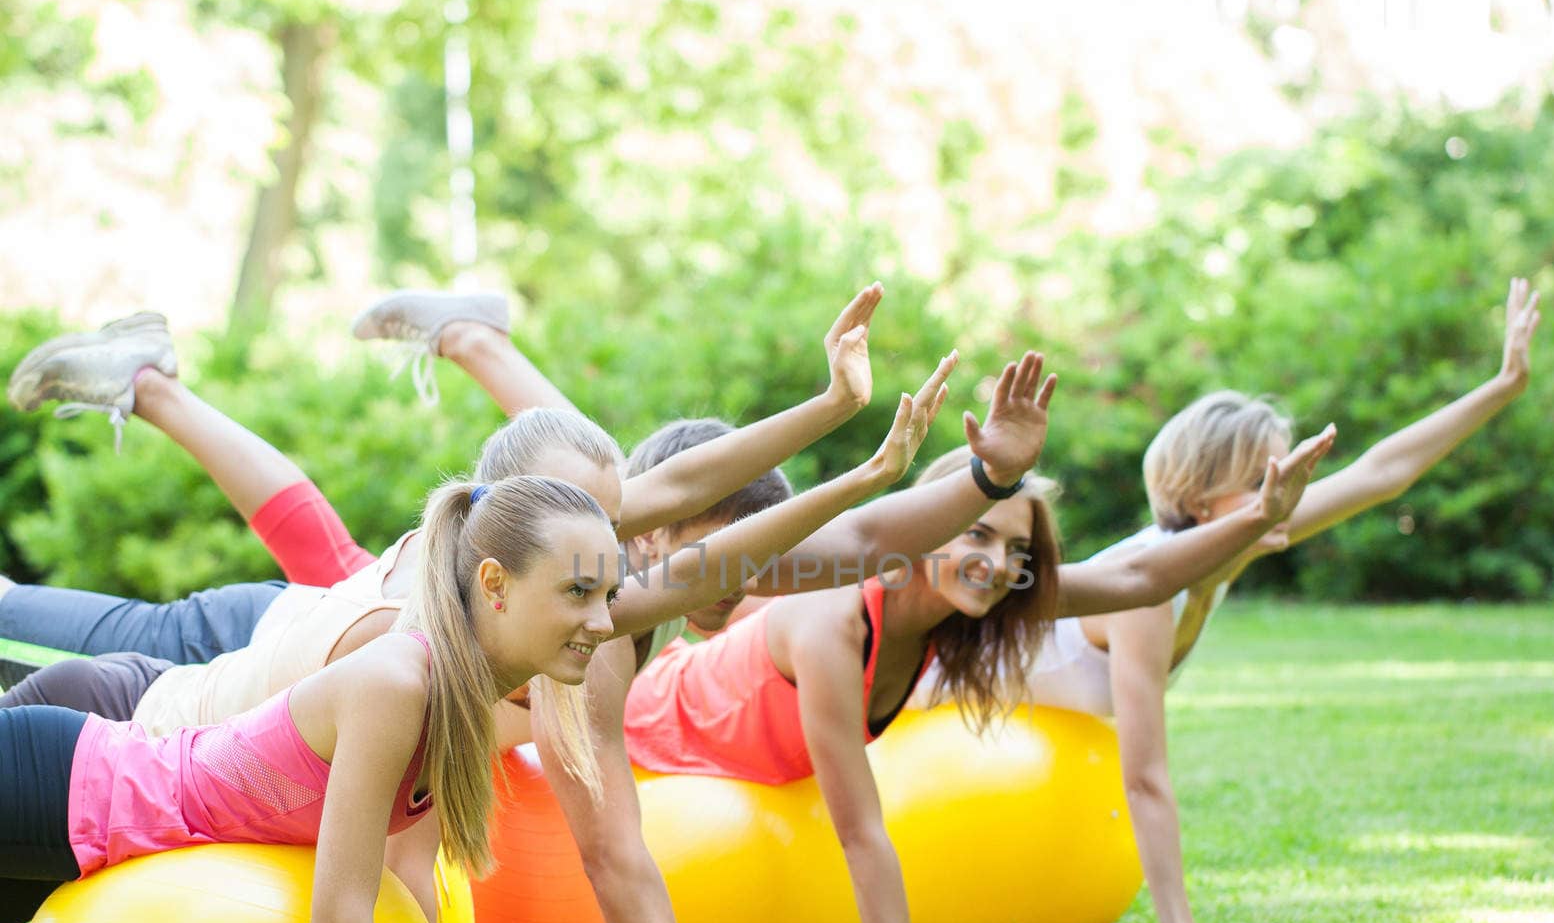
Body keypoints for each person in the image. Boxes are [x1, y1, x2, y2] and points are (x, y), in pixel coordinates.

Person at [623, 386, 1337, 923]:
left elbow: (1138, 580)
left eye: (1017, 549)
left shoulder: (976, 601)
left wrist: (1259, 519)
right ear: (925, 531)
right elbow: (860, 830)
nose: (998, 564)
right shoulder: (834, 622)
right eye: (976, 536)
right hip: (659, 724)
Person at [0, 474, 620, 923]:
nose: (605, 621)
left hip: (91, 819)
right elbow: (340, 917)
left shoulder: (459, 705)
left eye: (609, 595)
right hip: (70, 787)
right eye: (578, 592)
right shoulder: (396, 685)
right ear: (494, 585)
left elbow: (408, 890)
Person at [970, 279, 1540, 923]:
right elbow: (1143, 773)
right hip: (932, 703)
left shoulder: (1233, 541)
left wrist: (1504, 385)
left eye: (1288, 474)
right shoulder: (1148, 588)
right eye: (1268, 477)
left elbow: (1381, 472)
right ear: (1201, 500)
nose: (1286, 492)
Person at [0, 286, 894, 662]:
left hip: (308, 624)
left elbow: (840, 548)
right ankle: (473, 338)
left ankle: (151, 387)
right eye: (729, 544)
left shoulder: (599, 570)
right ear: (667, 524)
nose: (744, 577)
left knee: (340, 555)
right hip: (242, 638)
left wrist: (849, 427)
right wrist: (833, 413)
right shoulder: (589, 549)